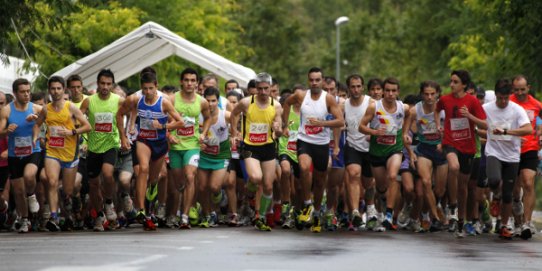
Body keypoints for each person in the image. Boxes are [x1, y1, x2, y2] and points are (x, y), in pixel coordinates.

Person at [116, 72, 184, 231]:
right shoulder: (135, 99)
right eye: (145, 89)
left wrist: (164, 127)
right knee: (143, 170)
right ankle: (141, 210)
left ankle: (150, 195)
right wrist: (123, 137)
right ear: (141, 88)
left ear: (156, 87)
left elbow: (179, 122)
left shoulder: (164, 103)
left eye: (151, 88)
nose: (148, 92)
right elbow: (119, 114)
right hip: (143, 140)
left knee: (154, 178)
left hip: (160, 143)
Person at [282, 67, 344, 233]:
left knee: (319, 182)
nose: (315, 83)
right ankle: (308, 205)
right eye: (312, 80)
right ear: (308, 81)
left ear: (322, 81)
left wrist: (322, 123)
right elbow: (286, 103)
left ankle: (316, 214)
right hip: (304, 140)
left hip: (322, 144)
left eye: (318, 80)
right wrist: (284, 125)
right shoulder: (302, 96)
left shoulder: (329, 99)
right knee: (303, 168)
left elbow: (340, 122)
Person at [35, 76, 92, 232]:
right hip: (52, 150)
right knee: (52, 182)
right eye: (53, 88)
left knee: (67, 191)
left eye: (59, 88)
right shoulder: (46, 108)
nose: (56, 91)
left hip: (70, 153)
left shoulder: (71, 107)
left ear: (63, 89)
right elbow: (38, 124)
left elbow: (88, 126)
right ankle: (53, 216)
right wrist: (36, 137)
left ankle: (69, 214)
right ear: (49, 90)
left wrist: (71, 131)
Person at [435, 70, 487, 238]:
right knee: (453, 166)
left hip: (468, 146)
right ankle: (452, 205)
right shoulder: (445, 99)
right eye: (451, 81)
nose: (451, 84)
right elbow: (437, 110)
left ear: (464, 85)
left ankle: (461, 220)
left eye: (455, 82)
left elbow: (485, 124)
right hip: (450, 142)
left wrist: (469, 115)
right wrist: (438, 126)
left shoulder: (472, 101)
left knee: (464, 187)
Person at [230, 72, 283, 231]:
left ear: (271, 88)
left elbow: (279, 129)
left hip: (268, 147)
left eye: (266, 89)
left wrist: (277, 129)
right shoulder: (246, 102)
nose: (263, 92)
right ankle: (250, 191)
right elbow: (234, 114)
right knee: (255, 177)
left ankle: (262, 215)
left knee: (268, 185)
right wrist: (234, 132)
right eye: (260, 89)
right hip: (249, 146)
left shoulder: (276, 106)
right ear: (255, 88)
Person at [483, 79, 532, 239]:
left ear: (509, 96)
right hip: (494, 152)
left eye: (506, 98)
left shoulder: (516, 109)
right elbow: (477, 126)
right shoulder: (487, 108)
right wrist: (487, 133)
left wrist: (506, 132)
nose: (503, 102)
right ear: (496, 95)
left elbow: (528, 128)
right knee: (494, 180)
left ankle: (504, 225)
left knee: (508, 194)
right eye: (500, 98)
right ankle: (495, 195)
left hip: (512, 156)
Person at [359, 77, 410, 231]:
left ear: (398, 92)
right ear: (383, 91)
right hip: (377, 151)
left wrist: (405, 132)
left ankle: (388, 214)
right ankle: (381, 202)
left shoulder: (404, 107)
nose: (390, 94)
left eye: (393, 91)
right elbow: (361, 127)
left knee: (393, 176)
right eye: (387, 90)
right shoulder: (374, 107)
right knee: (381, 187)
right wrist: (373, 132)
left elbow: (409, 116)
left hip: (395, 149)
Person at [79, 69, 125, 231]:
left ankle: (109, 202)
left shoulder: (119, 100)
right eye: (102, 83)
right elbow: (77, 118)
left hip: (111, 145)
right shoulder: (89, 101)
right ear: (97, 84)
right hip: (93, 147)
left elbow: (126, 116)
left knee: (107, 174)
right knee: (93, 184)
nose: (105, 87)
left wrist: (125, 137)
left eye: (108, 84)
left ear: (112, 85)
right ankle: (99, 215)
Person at [168, 68, 211, 229]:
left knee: (190, 176)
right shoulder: (172, 99)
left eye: (193, 80)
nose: (189, 83)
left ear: (197, 83)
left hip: (192, 145)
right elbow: (162, 118)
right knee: (180, 182)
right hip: (175, 146)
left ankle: (184, 216)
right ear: (181, 81)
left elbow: (208, 118)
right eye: (186, 80)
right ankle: (185, 206)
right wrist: (168, 135)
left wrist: (203, 133)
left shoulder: (202, 101)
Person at [403, 81, 447, 232]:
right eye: (426, 94)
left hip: (441, 150)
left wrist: (444, 142)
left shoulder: (444, 109)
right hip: (424, 149)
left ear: (437, 94)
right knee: (426, 182)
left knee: (440, 190)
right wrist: (407, 141)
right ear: (421, 94)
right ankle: (434, 218)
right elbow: (404, 132)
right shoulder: (415, 110)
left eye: (432, 94)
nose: (429, 97)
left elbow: (452, 128)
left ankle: (433, 207)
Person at [0, 79, 42, 233]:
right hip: (14, 154)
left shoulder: (36, 108)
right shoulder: (6, 111)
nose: (26, 94)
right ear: (15, 93)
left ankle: (31, 195)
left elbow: (48, 124)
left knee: (30, 176)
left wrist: (37, 122)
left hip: (33, 151)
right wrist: (7, 131)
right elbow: (0, 133)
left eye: (28, 91)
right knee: (18, 191)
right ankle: (25, 219)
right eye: (23, 92)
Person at [509, 75, 541, 239]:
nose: (520, 93)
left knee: (528, 182)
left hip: (530, 148)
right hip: (511, 149)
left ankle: (527, 223)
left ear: (528, 87)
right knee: (515, 190)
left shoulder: (536, 105)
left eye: (523, 89)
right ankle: (517, 222)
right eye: (516, 90)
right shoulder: (507, 103)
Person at [343, 74, 374, 230]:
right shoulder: (344, 104)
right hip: (352, 145)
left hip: (369, 148)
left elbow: (382, 120)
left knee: (368, 183)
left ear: (363, 87)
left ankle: (370, 208)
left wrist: (372, 132)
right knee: (353, 174)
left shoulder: (371, 103)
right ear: (348, 88)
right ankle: (355, 212)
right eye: (352, 86)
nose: (355, 89)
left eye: (358, 86)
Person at [197, 87, 231, 227]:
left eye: (213, 101)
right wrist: (197, 142)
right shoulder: (198, 115)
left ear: (218, 101)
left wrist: (236, 134)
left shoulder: (226, 115)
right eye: (208, 101)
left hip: (220, 155)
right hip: (203, 154)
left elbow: (239, 120)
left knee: (215, 186)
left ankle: (220, 195)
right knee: (203, 187)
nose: (210, 104)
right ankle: (208, 215)